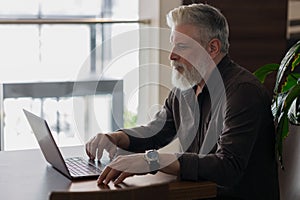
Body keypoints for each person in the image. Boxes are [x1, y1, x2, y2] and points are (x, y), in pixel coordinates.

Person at [85, 3, 279, 199]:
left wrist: (153, 160)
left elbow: (227, 166)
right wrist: (113, 138)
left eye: (182, 46)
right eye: (173, 44)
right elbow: (157, 132)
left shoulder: (243, 92)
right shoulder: (186, 87)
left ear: (212, 48)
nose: (172, 55)